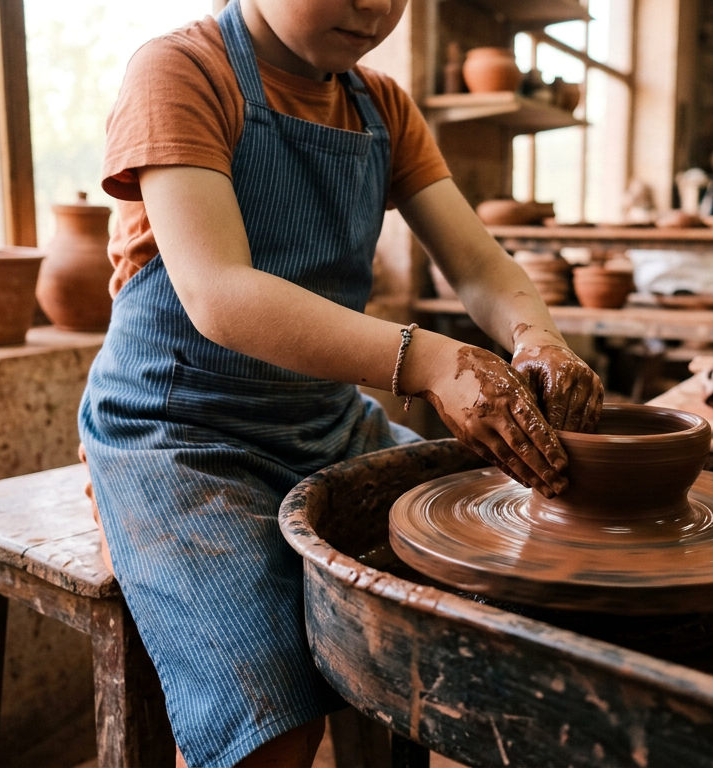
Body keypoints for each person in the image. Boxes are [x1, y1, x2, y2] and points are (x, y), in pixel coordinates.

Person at [77, 1, 605, 766]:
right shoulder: (181, 70)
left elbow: (478, 263)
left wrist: (538, 338)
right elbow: (219, 293)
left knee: (489, 574)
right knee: (271, 716)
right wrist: (428, 361)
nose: (373, 7)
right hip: (180, 430)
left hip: (325, 423)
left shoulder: (381, 105)